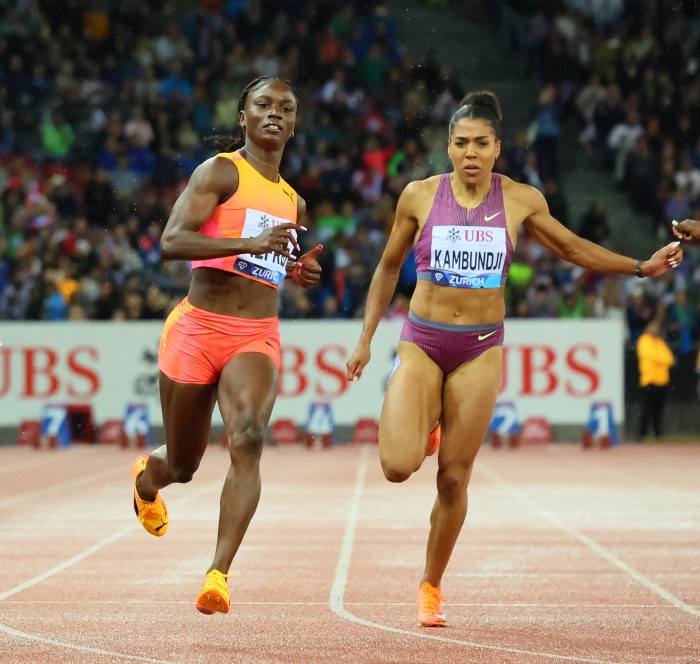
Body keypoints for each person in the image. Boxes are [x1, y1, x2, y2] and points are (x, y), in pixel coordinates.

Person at [344, 90, 683, 628]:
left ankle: (430, 586)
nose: (470, 152)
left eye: (481, 143)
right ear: (448, 148)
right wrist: (365, 338)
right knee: (396, 466)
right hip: (422, 340)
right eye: (460, 143)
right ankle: (425, 421)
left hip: (479, 348)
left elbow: (572, 248)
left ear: (497, 148)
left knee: (453, 480)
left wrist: (640, 267)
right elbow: (387, 269)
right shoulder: (419, 195)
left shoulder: (521, 200)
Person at [130, 77, 323, 616]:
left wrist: (296, 269)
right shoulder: (220, 171)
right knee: (185, 465)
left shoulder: (293, 199)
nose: (274, 114)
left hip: (255, 334)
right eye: (263, 105)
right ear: (243, 116)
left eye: (286, 107)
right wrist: (249, 242)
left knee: (249, 437)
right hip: (197, 329)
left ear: (294, 121)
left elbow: (266, 263)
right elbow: (170, 243)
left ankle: (217, 573)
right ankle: (148, 479)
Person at [636, 319, 674, 440]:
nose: (655, 330)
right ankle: (642, 434)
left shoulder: (659, 342)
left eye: (657, 327)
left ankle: (657, 433)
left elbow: (670, 358)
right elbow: (653, 356)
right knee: (646, 409)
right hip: (649, 380)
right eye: (653, 327)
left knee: (659, 409)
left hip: (662, 381)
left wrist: (661, 360)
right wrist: (662, 360)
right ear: (648, 328)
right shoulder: (644, 340)